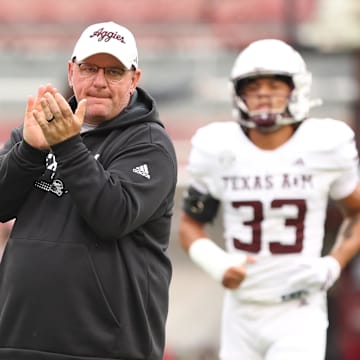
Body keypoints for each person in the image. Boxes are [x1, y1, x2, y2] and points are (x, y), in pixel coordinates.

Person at [0, 21, 177, 360]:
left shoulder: (150, 144)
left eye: (113, 72)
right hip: (17, 339)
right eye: (89, 68)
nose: (98, 82)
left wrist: (66, 145)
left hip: (104, 349)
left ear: (133, 80)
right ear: (71, 71)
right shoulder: (37, 128)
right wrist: (29, 153)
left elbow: (112, 215)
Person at [178, 39, 360, 360]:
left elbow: (357, 214)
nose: (263, 94)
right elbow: (189, 227)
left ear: (296, 90)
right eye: (254, 86)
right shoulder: (218, 147)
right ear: (239, 93)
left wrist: (334, 263)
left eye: (275, 85)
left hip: (299, 309)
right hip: (241, 309)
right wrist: (218, 263)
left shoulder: (324, 144)